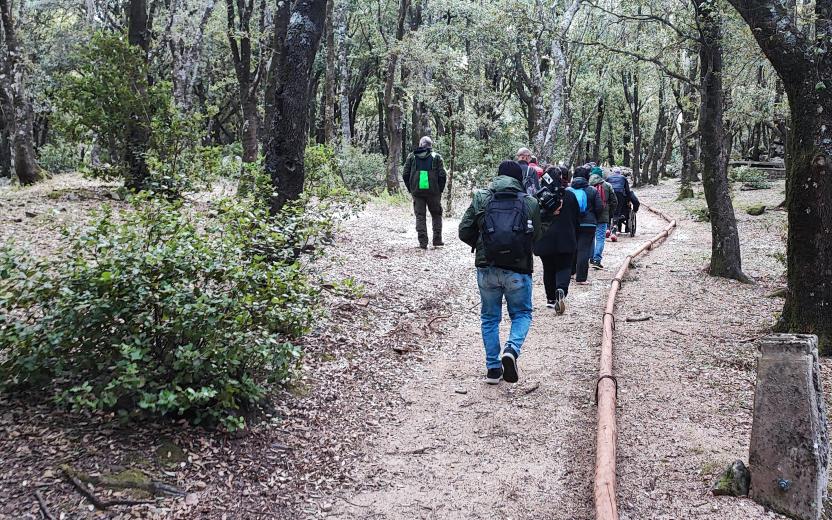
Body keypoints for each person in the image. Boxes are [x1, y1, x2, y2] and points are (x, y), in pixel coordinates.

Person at [459, 160, 542, 385]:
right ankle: (512, 351)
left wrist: (482, 244)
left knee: (489, 317)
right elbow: (537, 236)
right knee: (522, 314)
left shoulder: (481, 198)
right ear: (519, 179)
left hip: (487, 267)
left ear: (498, 176)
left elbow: (464, 230)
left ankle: (493, 369)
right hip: (518, 269)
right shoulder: (530, 202)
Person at [534, 166, 578, 314]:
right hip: (566, 237)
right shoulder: (569, 196)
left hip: (544, 238)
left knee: (548, 268)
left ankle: (550, 299)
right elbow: (577, 217)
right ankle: (561, 289)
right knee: (564, 267)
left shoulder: (538, 197)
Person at [403, 136, 447, 249]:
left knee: (420, 216)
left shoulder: (411, 157)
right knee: (436, 215)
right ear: (430, 145)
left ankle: (423, 243)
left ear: (421, 144)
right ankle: (437, 240)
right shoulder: (437, 157)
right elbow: (442, 175)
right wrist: (440, 189)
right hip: (434, 192)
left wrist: (411, 189)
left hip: (417, 192)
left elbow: (405, 174)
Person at [569, 167, 603, 285]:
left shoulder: (568, 190)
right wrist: (594, 217)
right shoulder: (592, 190)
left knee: (572, 247)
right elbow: (599, 207)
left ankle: (571, 273)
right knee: (584, 249)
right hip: (588, 223)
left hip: (572, 223)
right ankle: (581, 278)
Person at [588, 166, 617, 269]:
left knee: (591, 238)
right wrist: (610, 213)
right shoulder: (607, 185)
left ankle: (591, 257)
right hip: (603, 216)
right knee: (600, 238)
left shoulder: (588, 186)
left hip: (590, 216)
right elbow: (614, 201)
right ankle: (597, 259)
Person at [606, 167, 634, 241]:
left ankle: (608, 228)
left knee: (609, 211)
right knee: (617, 212)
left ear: (613, 172)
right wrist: (628, 200)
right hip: (620, 195)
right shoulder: (623, 178)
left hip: (610, 194)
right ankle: (614, 232)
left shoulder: (608, 178)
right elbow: (627, 191)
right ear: (620, 172)